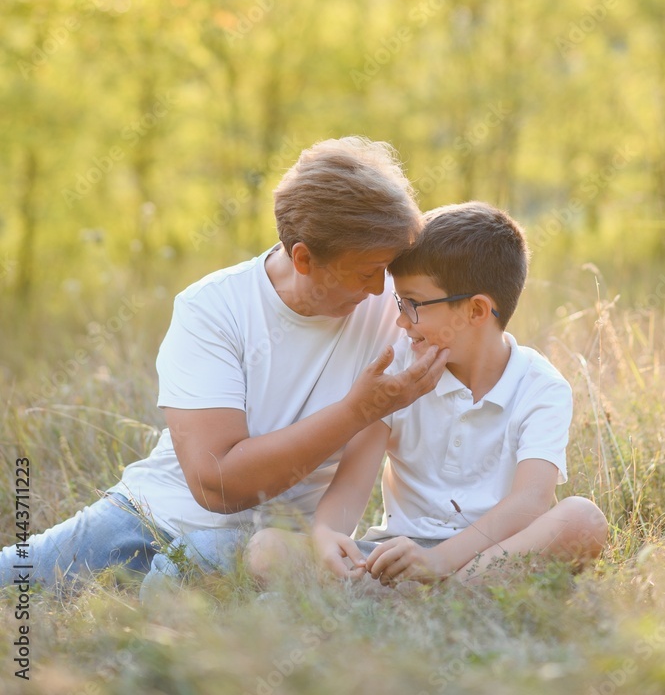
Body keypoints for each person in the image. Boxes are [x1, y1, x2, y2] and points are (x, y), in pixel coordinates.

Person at [0, 137, 449, 593]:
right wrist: (357, 411)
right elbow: (218, 485)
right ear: (304, 258)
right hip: (148, 517)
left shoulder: (397, 310)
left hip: (270, 548)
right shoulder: (212, 308)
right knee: (10, 576)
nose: (380, 290)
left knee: (174, 594)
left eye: (386, 269)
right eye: (366, 272)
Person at [247, 201, 609, 588]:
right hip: (398, 553)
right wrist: (327, 535)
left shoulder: (541, 387)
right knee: (266, 548)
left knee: (582, 520)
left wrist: (438, 561)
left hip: (490, 552)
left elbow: (530, 502)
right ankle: (432, 595)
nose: (401, 321)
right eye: (399, 303)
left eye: (413, 305)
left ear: (475, 311)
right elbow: (353, 482)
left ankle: (444, 589)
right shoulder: (399, 372)